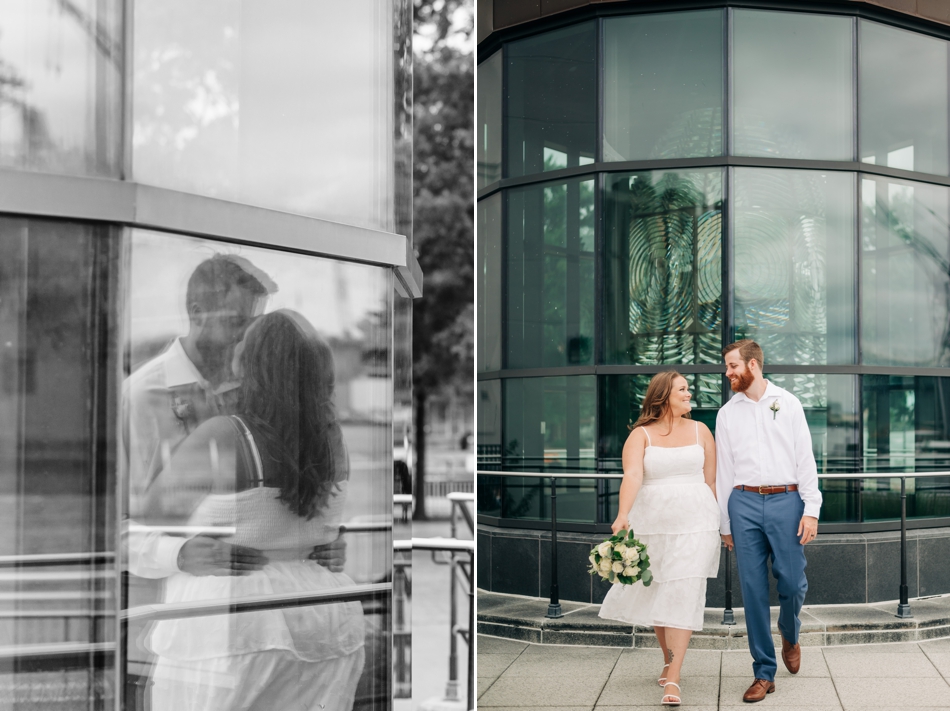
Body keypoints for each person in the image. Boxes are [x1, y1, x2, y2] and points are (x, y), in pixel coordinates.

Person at [147, 309, 365, 711]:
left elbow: (139, 523)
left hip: (235, 624)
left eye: (243, 345)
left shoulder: (224, 436)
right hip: (323, 616)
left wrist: (176, 554)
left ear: (255, 364)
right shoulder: (332, 442)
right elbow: (310, 524)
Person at [122, 254, 344, 578]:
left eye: (254, 326)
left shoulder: (261, 394)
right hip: (162, 599)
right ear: (197, 314)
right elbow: (110, 522)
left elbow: (290, 486)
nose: (247, 339)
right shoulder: (142, 396)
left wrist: (325, 537)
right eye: (236, 323)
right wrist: (176, 554)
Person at [599, 371, 720, 707]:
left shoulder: (702, 431)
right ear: (663, 395)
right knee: (660, 590)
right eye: (682, 389)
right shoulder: (641, 435)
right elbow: (632, 476)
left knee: (683, 590)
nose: (689, 393)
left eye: (688, 389)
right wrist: (623, 515)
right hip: (652, 523)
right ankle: (667, 659)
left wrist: (722, 524)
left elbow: (711, 482)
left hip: (697, 522)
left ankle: (675, 675)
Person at [715, 340, 821, 703]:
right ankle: (764, 672)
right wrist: (724, 522)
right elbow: (724, 471)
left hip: (787, 501)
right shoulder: (727, 413)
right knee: (753, 591)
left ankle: (789, 631)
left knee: (791, 582)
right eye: (727, 367)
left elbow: (805, 458)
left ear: (753, 365)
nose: (727, 373)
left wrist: (811, 509)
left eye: (732, 366)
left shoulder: (788, 403)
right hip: (742, 502)